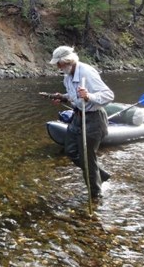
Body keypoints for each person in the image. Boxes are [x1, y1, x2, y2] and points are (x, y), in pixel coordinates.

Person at [48, 46, 114, 199]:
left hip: (94, 118)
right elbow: (74, 96)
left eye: (58, 64)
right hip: (78, 117)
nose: (57, 67)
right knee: (71, 150)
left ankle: (95, 195)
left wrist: (89, 96)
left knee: (87, 159)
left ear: (67, 61)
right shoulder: (67, 76)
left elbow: (108, 95)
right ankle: (101, 175)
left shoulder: (87, 72)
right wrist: (63, 97)